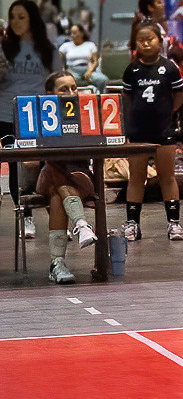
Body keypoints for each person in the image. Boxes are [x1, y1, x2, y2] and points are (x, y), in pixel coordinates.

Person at [0, 0, 65, 236]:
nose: (16, 22)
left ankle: (59, 216)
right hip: (6, 113)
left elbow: (59, 82)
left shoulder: (48, 50)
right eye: (13, 16)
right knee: (16, 165)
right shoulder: (3, 47)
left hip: (38, 115)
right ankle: (24, 215)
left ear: (32, 19)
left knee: (47, 165)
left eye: (21, 16)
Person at [120, 22, 183, 242]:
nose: (146, 43)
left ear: (160, 41)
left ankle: (174, 224)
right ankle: (132, 224)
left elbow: (179, 96)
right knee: (136, 178)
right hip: (138, 131)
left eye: (150, 39)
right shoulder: (132, 70)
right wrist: (131, 123)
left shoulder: (169, 68)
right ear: (135, 44)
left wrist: (168, 113)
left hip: (163, 130)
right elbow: (127, 100)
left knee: (167, 176)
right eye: (141, 40)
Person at [35, 71, 100, 284]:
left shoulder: (86, 115)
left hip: (80, 178)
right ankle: (81, 224)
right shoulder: (36, 116)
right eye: (64, 89)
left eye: (74, 88)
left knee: (57, 195)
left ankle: (58, 264)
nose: (71, 93)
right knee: (54, 169)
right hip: (47, 176)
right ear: (48, 94)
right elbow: (28, 162)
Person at [59, 24, 105, 91]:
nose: (72, 35)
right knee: (68, 81)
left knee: (102, 79)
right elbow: (59, 60)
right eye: (71, 33)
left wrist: (90, 71)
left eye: (74, 33)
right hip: (72, 70)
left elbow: (95, 61)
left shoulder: (90, 45)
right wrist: (64, 71)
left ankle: (100, 97)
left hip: (87, 69)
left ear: (81, 33)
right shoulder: (65, 46)